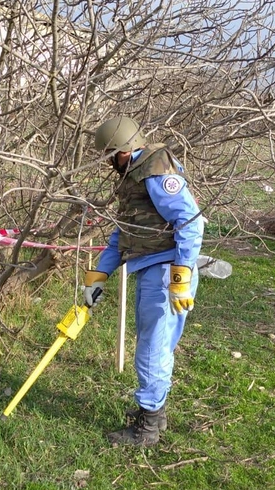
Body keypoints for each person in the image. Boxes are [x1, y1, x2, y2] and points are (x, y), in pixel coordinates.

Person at [84, 116, 204, 447]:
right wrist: (96, 278)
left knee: (151, 348)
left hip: (165, 274)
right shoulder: (139, 175)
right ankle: (155, 414)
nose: (108, 163)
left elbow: (191, 222)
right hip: (156, 269)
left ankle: (147, 427)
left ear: (120, 151)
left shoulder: (155, 172)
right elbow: (122, 235)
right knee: (157, 345)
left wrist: (180, 276)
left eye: (108, 155)